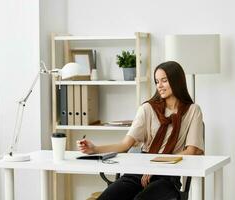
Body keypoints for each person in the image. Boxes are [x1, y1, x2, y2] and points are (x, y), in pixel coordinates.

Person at [77, 61, 204, 200]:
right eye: (157, 81)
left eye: (164, 81)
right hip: (139, 170)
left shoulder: (193, 111)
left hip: (168, 176)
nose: (159, 86)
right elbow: (125, 145)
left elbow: (192, 151)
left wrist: (157, 167)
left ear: (176, 81)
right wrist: (94, 149)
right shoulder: (148, 109)